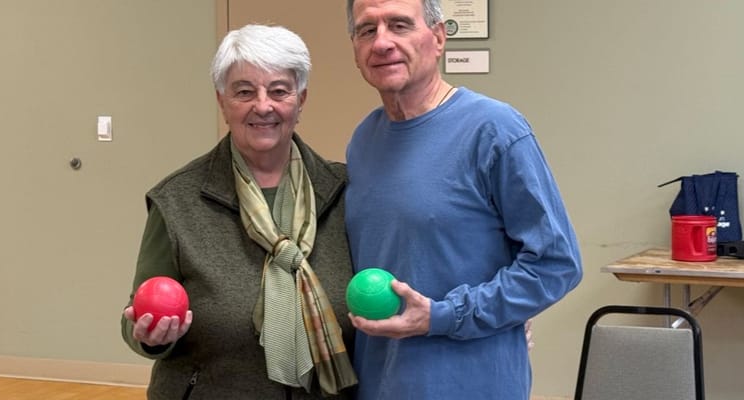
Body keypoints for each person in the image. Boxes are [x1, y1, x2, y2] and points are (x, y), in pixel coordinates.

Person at [342, 1, 583, 399]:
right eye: (367, 30)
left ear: (438, 37)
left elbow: (557, 265)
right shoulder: (363, 140)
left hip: (472, 384)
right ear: (355, 48)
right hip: (381, 383)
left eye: (399, 25)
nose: (382, 42)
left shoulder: (496, 131)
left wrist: (444, 315)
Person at [120, 24, 358, 399]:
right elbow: (137, 312)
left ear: (301, 99)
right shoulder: (178, 200)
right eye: (244, 91)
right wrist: (150, 336)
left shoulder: (345, 191)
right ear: (222, 101)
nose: (262, 106)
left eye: (279, 90)